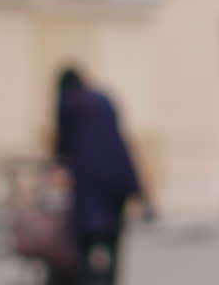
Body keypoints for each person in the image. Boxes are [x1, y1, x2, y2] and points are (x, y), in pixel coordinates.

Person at [50, 67, 149, 285]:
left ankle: (88, 277)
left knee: (85, 241)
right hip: (117, 178)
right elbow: (120, 139)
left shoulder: (68, 103)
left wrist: (57, 168)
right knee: (112, 240)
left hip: (88, 182)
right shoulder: (103, 99)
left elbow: (62, 145)